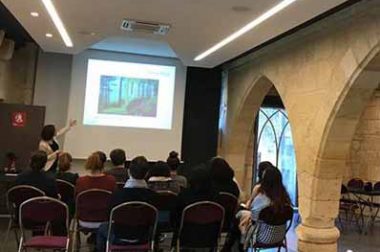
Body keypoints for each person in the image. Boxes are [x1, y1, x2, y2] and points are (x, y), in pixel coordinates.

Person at [96, 156, 158, 251]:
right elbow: (153, 220)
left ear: (129, 172)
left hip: (118, 236)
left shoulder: (117, 195)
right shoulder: (153, 197)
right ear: (147, 174)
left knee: (102, 227)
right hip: (143, 237)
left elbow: (109, 216)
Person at [236, 166, 291, 250]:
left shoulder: (262, 198)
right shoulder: (284, 199)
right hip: (280, 236)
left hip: (262, 236)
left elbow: (254, 217)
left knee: (240, 216)